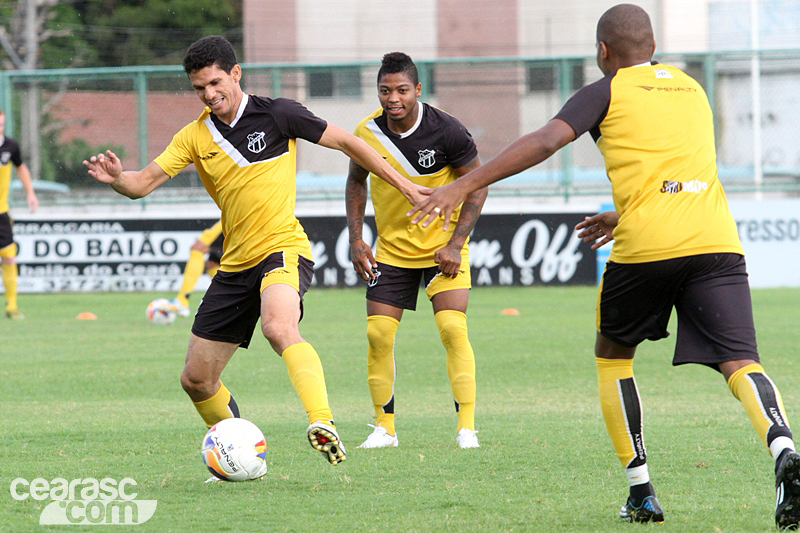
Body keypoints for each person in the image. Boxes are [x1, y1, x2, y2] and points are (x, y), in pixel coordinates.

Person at [407, 4, 799, 528]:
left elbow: (546, 140)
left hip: (648, 247)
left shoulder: (607, 90)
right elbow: (678, 170)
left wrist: (462, 185)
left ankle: (641, 492)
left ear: (603, 51)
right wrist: (624, 212)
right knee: (741, 361)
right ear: (653, 48)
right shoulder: (692, 87)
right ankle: (784, 449)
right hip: (716, 240)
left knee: (613, 356)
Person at [84, 36, 423, 472]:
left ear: (235, 73)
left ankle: (323, 422)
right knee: (196, 380)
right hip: (234, 265)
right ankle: (241, 456)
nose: (209, 94)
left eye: (215, 83)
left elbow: (347, 143)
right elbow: (140, 184)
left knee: (278, 328)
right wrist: (117, 178)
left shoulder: (279, 114)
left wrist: (406, 185)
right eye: (199, 88)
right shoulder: (194, 137)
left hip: (282, 249)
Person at [346, 52, 487, 450]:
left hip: (444, 250)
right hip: (391, 250)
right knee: (378, 334)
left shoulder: (448, 130)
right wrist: (357, 239)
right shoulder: (366, 132)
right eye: (385, 90)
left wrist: (456, 244)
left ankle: (466, 428)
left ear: (418, 90)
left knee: (452, 329)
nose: (393, 98)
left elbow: (477, 185)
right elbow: (355, 182)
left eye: (402, 90)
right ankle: (384, 429)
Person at [0, 110, 38, 320]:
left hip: (2, 212)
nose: (0, 128)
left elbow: (21, 168)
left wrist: (30, 193)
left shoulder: (10, 146)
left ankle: (12, 307)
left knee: (8, 257)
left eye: (1, 124)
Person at [170, 219, 223, 317]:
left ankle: (182, 300)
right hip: (241, 218)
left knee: (198, 248)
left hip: (237, 216)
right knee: (213, 263)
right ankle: (228, 301)